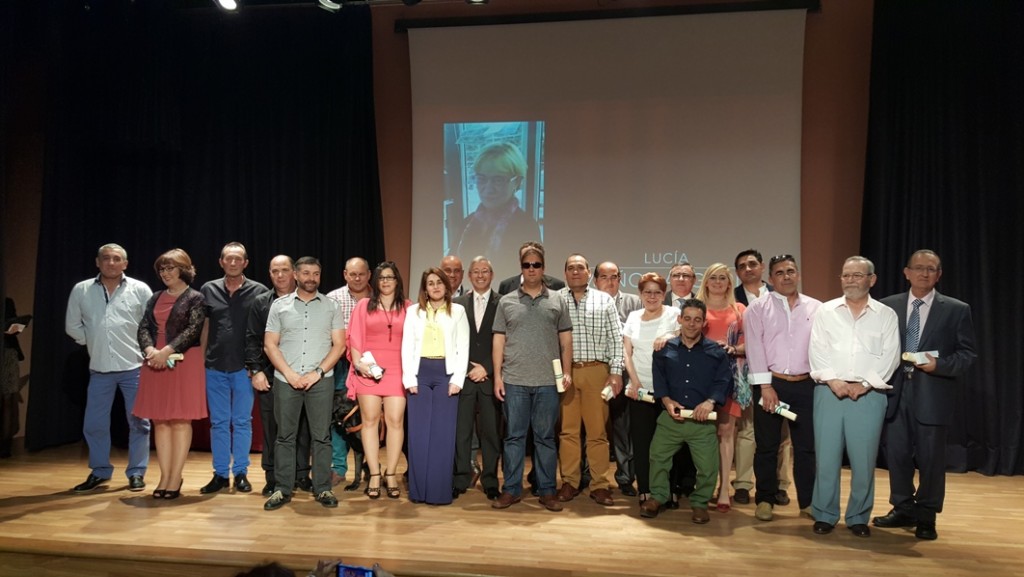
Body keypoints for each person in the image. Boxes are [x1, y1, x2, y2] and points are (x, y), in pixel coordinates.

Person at [873, 250, 977, 540]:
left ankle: (927, 515)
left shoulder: (957, 309)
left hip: (933, 393)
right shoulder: (886, 306)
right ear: (906, 272)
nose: (924, 273)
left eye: (931, 269)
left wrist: (939, 365)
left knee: (931, 459)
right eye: (918, 268)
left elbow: (967, 355)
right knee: (897, 456)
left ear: (939, 275)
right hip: (895, 392)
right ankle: (903, 508)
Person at [809, 256, 900, 537]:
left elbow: (891, 355)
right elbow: (817, 349)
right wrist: (834, 381)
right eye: (846, 275)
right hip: (829, 392)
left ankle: (858, 516)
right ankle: (824, 514)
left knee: (863, 461)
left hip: (869, 395)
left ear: (871, 280)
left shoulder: (886, 314)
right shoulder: (826, 311)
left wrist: (865, 384)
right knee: (826, 458)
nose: (850, 280)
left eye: (857, 275)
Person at [65, 243, 153, 493]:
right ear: (97, 262)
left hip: (134, 366)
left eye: (117, 259)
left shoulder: (140, 289)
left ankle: (136, 472)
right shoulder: (81, 289)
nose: (111, 263)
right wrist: (92, 341)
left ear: (125, 264)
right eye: (106, 258)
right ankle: (100, 471)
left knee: (139, 422)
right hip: (99, 368)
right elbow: (72, 326)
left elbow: (150, 325)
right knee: (94, 423)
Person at [491, 243, 573, 512]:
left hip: (548, 382)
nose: (531, 269)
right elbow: (499, 342)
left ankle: (547, 490)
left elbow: (565, 340)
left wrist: (567, 372)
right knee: (514, 438)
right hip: (514, 380)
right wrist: (498, 378)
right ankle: (511, 489)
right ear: (521, 268)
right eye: (527, 265)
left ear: (544, 267)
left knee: (545, 438)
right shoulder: (507, 301)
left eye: (536, 265)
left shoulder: (558, 299)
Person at [262, 257, 346, 510]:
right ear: (296, 276)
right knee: (285, 437)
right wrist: (289, 374)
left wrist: (317, 373)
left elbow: (340, 345)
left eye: (316, 274)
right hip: (286, 380)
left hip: (320, 380)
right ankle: (282, 489)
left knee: (321, 437)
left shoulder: (331, 306)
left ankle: (322, 488)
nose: (311, 278)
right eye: (306, 273)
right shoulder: (279, 306)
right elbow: (269, 344)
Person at [744, 254, 822, 522]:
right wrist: (765, 386)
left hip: (807, 385)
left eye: (790, 271)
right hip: (770, 384)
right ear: (771, 277)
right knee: (767, 446)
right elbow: (754, 349)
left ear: (798, 274)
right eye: (780, 272)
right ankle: (765, 499)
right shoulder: (757, 308)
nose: (786, 276)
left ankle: (809, 502)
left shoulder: (817, 308)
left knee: (806, 448)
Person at [641, 299, 731, 524]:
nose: (691, 324)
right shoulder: (663, 350)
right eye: (687, 319)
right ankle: (658, 497)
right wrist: (667, 400)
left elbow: (723, 381)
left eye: (697, 320)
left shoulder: (716, 352)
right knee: (658, 457)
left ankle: (700, 503)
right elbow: (659, 379)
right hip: (672, 418)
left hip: (702, 421)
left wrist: (710, 402)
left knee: (708, 466)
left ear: (703, 323)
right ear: (679, 320)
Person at [134, 248, 207, 499]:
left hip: (183, 360)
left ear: (183, 270)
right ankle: (164, 476)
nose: (165, 273)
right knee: (159, 420)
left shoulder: (195, 297)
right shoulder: (154, 298)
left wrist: (167, 351)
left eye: (170, 268)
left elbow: (193, 330)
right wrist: (149, 349)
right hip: (154, 359)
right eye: (162, 269)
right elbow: (144, 326)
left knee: (179, 419)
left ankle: (175, 477)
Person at [199, 242, 268, 495]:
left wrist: (257, 365)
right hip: (214, 366)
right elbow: (205, 327)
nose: (233, 262)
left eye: (238, 259)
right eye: (228, 258)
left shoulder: (259, 291)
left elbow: (263, 333)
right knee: (218, 423)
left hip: (244, 368)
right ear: (221, 262)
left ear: (246, 263)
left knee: (241, 422)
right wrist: (201, 362)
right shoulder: (208, 289)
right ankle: (219, 474)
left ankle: (240, 472)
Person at [556, 254, 624, 507]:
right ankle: (570, 482)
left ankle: (600, 485)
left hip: (597, 371)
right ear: (565, 273)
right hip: (566, 374)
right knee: (568, 432)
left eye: (580, 268)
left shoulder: (604, 299)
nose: (575, 272)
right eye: (570, 268)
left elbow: (616, 339)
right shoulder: (556, 299)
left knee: (597, 433)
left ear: (588, 273)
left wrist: (616, 371)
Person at [401, 268, 469, 504]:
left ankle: (439, 493)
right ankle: (418, 492)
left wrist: (457, 379)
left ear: (446, 286)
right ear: (425, 288)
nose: (436, 287)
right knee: (419, 436)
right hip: (419, 374)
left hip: (445, 375)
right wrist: (409, 378)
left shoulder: (458, 311)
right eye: (430, 283)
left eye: (439, 282)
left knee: (442, 436)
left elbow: (463, 345)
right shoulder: (413, 312)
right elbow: (407, 346)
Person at [245, 255, 312, 496]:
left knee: (304, 427)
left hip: (304, 375)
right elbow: (252, 339)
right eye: (275, 271)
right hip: (270, 377)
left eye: (285, 270)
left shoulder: (310, 300)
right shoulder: (261, 303)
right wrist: (256, 371)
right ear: (270, 274)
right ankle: (273, 477)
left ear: (294, 273)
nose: (280, 275)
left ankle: (302, 474)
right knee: (273, 429)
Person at [346, 261, 411, 500]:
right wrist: (359, 365)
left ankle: (391, 473)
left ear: (397, 281)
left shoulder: (408, 307)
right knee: (370, 421)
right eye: (381, 277)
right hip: (368, 370)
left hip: (397, 370)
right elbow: (354, 338)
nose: (385, 281)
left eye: (390, 277)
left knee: (395, 421)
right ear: (376, 281)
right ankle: (374, 474)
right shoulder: (364, 305)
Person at [735, 248, 794, 506]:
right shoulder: (731, 297)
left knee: (782, 435)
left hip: (779, 373)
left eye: (752, 264)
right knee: (747, 431)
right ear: (737, 272)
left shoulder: (781, 294)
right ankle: (743, 484)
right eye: (742, 266)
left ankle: (780, 484)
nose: (748, 269)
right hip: (742, 372)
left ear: (761, 268)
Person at [622, 273, 680, 505]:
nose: (652, 296)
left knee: (670, 446)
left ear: (663, 294)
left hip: (670, 391)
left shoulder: (674, 314)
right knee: (643, 442)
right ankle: (645, 487)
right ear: (640, 294)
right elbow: (627, 352)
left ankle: (668, 489)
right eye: (647, 292)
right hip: (641, 391)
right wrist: (634, 381)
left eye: (657, 292)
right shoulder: (634, 317)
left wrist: (668, 334)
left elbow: (684, 335)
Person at [694, 262, 747, 512]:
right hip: (699, 377)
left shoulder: (739, 310)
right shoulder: (696, 308)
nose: (717, 282)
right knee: (701, 435)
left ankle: (724, 488)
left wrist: (733, 348)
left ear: (729, 282)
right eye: (713, 277)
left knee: (726, 432)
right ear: (706, 281)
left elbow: (750, 344)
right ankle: (703, 486)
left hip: (730, 377)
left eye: (723, 278)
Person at [452, 256, 503, 500]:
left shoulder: (503, 303)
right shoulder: (457, 303)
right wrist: (464, 370)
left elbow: (507, 341)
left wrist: (487, 368)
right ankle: (461, 477)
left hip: (491, 379)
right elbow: (452, 343)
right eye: (475, 271)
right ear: (469, 276)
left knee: (491, 433)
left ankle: (491, 480)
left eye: (485, 271)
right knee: (461, 432)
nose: (480, 275)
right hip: (464, 379)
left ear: (491, 275)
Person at [455, 142, 541, 279]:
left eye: (498, 180)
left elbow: (531, 277)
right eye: (482, 179)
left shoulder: (526, 226)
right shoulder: (467, 224)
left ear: (517, 182)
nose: (488, 188)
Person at [594, 261, 642, 497]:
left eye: (614, 276)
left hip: (624, 371)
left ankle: (625, 476)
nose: (610, 281)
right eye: (604, 277)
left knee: (624, 427)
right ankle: (589, 475)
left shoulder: (634, 302)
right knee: (593, 427)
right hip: (595, 370)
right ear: (595, 280)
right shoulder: (588, 301)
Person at [326, 256, 372, 488]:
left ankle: (371, 465)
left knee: (371, 416)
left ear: (368, 275)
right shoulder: (333, 298)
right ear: (345, 275)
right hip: (341, 363)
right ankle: (338, 467)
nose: (356, 278)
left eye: (361, 274)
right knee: (340, 416)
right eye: (352, 274)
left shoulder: (379, 297)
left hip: (372, 365)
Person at [2, 298, 27, 458]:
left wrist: (15, 327)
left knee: (7, 398)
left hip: (7, 351)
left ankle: (4, 445)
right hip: (7, 350)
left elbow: (15, 328)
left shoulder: (7, 302)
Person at [497, 242, 565, 295]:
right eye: (525, 257)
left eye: (536, 263)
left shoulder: (557, 285)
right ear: (520, 260)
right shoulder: (506, 285)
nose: (531, 268)